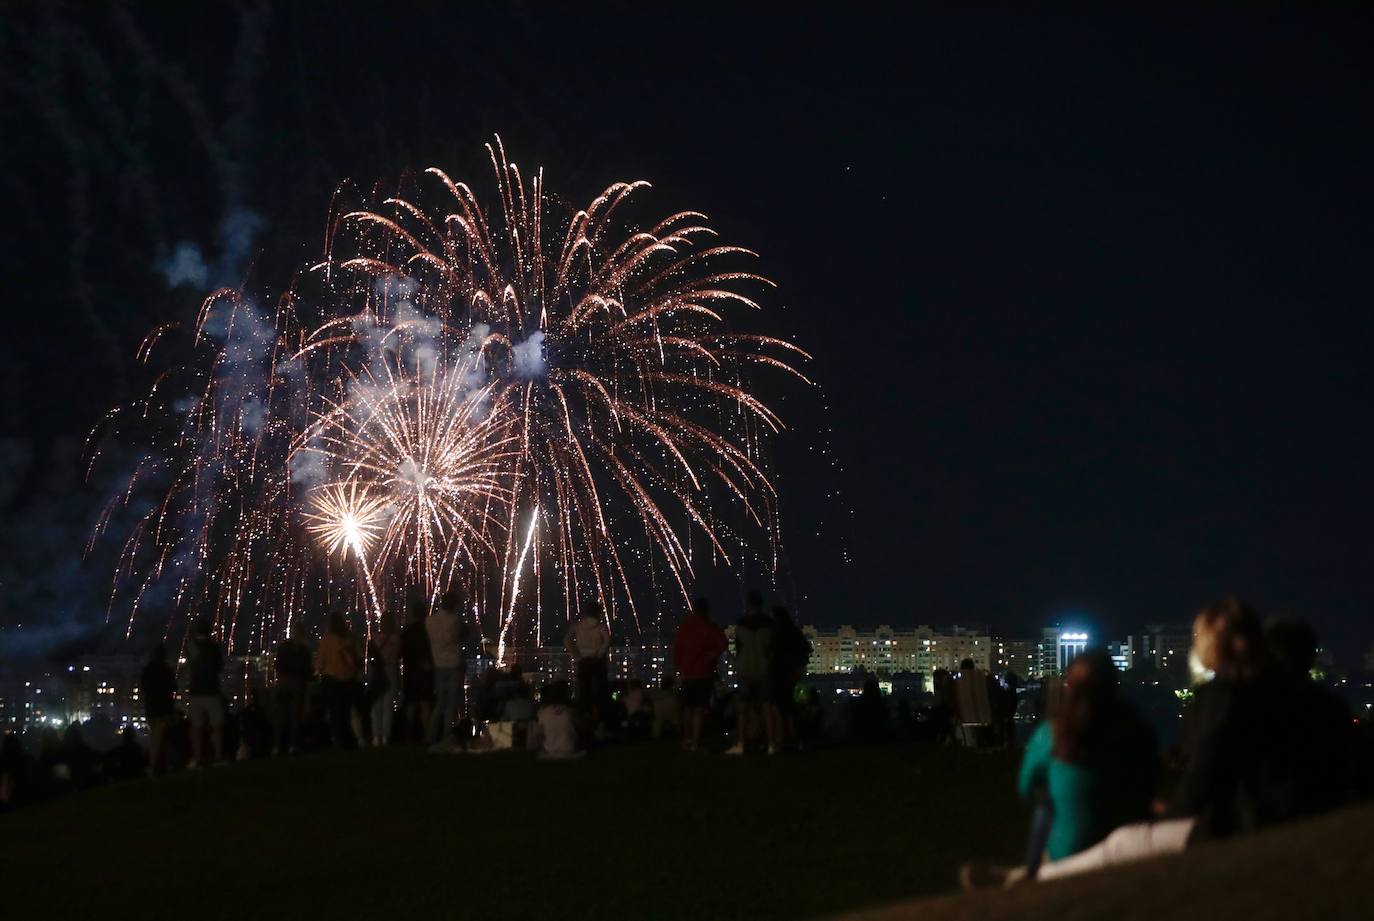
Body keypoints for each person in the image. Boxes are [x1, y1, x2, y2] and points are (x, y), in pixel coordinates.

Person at [1033, 598, 1352, 882]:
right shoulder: (1321, 704)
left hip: (1248, 827)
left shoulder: (1225, 696)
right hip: (1302, 820)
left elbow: (1205, 778)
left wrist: (1168, 816)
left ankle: (1042, 879)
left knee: (1123, 842)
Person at [960, 648, 1159, 891]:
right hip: (1132, 846)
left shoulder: (1053, 734)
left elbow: (1027, 787)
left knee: (1046, 800)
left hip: (1071, 853)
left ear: (1070, 687)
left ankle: (1030, 872)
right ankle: (1026, 873)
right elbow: (1149, 784)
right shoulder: (1139, 732)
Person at [726, 590, 780, 755]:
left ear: (749, 604)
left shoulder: (741, 624)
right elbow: (773, 649)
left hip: (745, 669)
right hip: (764, 670)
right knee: (767, 708)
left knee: (742, 709)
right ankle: (771, 744)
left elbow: (738, 649)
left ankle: (741, 744)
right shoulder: (770, 624)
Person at [672, 597, 728, 751]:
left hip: (687, 674)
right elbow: (723, 643)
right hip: (704, 673)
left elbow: (677, 650)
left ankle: (687, 739)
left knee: (687, 709)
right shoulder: (709, 626)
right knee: (698, 709)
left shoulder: (684, 627)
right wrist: (712, 654)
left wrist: (680, 667)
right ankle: (695, 742)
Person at [317, 610, 366, 749]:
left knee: (335, 712)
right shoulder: (351, 637)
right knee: (349, 711)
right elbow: (360, 657)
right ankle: (354, 738)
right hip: (349, 678)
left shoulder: (326, 640)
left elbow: (320, 663)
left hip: (331, 679)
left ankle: (339, 740)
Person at [769, 605, 812, 748]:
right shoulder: (793, 632)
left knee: (782, 707)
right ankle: (795, 738)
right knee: (791, 707)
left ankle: (784, 738)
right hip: (791, 674)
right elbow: (806, 649)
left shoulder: (775, 633)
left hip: (779, 674)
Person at [186, 618, 226, 767]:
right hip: (212, 690)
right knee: (217, 726)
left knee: (196, 727)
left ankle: (197, 758)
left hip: (195, 691)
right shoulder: (214, 647)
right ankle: (218, 756)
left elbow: (192, 663)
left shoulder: (191, 646)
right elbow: (219, 667)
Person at [426, 592, 465, 745]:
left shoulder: (429, 621)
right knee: (451, 704)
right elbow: (462, 635)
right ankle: (446, 736)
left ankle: (430, 736)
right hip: (454, 664)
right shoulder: (455, 620)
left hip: (438, 665)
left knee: (440, 703)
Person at [565, 603, 611, 728]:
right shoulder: (601, 627)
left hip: (583, 660)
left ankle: (585, 718)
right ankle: (602, 720)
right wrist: (600, 652)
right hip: (597, 660)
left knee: (584, 691)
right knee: (600, 690)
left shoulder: (578, 626)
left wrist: (576, 654)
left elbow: (567, 640)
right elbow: (607, 640)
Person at [273, 621, 313, 755]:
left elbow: (277, 665)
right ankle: (292, 745)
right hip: (297, 685)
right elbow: (308, 671)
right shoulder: (304, 650)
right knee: (295, 717)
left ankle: (279, 746)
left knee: (282, 717)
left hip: (283, 684)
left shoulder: (283, 647)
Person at [140, 643, 177, 775]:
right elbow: (174, 687)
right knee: (161, 737)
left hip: (151, 708)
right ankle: (158, 764)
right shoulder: (167, 669)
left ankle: (155, 764)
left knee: (155, 736)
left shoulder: (148, 669)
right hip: (164, 708)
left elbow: (143, 686)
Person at [401, 601, 434, 743]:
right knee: (425, 704)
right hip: (425, 671)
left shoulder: (407, 631)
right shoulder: (430, 630)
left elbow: (402, 651)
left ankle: (408, 734)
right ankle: (427, 735)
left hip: (411, 670)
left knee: (411, 704)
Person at [369, 611, 402, 746]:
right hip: (391, 671)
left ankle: (376, 736)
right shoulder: (397, 639)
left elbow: (371, 656)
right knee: (388, 706)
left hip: (377, 672)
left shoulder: (375, 638)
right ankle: (386, 736)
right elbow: (399, 656)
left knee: (376, 706)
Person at [531, 681, 582, 759]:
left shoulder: (542, 712)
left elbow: (539, 734)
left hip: (549, 748)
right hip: (568, 748)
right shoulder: (569, 711)